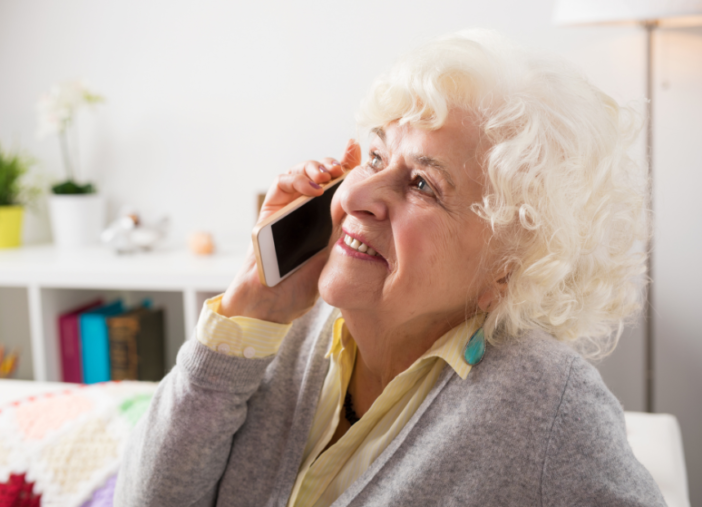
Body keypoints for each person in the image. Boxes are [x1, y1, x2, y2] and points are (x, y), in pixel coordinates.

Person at [115, 30, 665, 507]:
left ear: (508, 266)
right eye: (376, 157)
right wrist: (251, 307)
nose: (359, 195)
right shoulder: (279, 331)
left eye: (423, 184)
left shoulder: (548, 406)